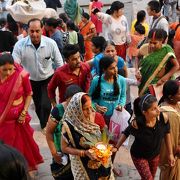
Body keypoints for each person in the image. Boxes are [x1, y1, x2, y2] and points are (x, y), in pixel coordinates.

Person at [12, 18, 63, 132]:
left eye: (37, 31)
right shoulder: (20, 45)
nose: (34, 34)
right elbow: (15, 66)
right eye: (32, 31)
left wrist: (60, 81)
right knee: (38, 104)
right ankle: (43, 123)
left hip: (47, 78)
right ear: (28, 30)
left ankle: (45, 125)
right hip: (30, 80)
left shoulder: (51, 43)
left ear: (42, 30)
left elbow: (59, 63)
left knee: (45, 104)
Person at [115, 94, 175, 180]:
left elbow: (167, 133)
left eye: (157, 106)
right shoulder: (137, 124)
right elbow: (126, 132)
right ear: (145, 112)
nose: (158, 110)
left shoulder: (163, 118)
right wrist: (116, 147)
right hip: (139, 156)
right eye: (153, 109)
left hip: (155, 155)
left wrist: (170, 154)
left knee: (150, 177)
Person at [0, 53, 43, 171]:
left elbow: (29, 94)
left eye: (10, 69)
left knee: (22, 146)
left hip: (18, 119)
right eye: (4, 70)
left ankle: (22, 169)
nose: (8, 72)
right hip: (2, 121)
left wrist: (24, 112)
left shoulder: (21, 76)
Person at [61, 92, 114, 179]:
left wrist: (106, 147)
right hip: (81, 164)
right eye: (85, 109)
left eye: (90, 107)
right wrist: (84, 153)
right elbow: (64, 148)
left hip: (101, 161)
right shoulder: (68, 126)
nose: (90, 111)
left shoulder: (97, 116)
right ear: (77, 109)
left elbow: (105, 134)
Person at [46, 84, 83, 180]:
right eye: (71, 101)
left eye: (76, 102)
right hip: (62, 153)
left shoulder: (84, 109)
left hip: (78, 152)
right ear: (66, 99)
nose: (73, 105)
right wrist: (54, 153)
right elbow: (49, 133)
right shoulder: (58, 111)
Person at [136, 29, 179, 96]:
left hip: (157, 84)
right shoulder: (144, 48)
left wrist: (163, 79)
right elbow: (137, 57)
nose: (152, 45)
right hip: (144, 81)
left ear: (161, 41)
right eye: (150, 42)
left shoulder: (166, 50)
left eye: (155, 43)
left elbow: (176, 66)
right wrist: (137, 70)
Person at [89, 56, 126, 126]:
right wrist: (95, 106)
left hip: (116, 117)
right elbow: (89, 98)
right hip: (100, 117)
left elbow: (123, 96)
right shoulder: (96, 81)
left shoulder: (121, 80)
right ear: (104, 70)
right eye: (112, 68)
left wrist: (121, 105)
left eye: (116, 67)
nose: (115, 70)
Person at [159, 80, 180, 180]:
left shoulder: (175, 104)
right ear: (171, 96)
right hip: (175, 158)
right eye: (179, 93)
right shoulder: (170, 115)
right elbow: (170, 143)